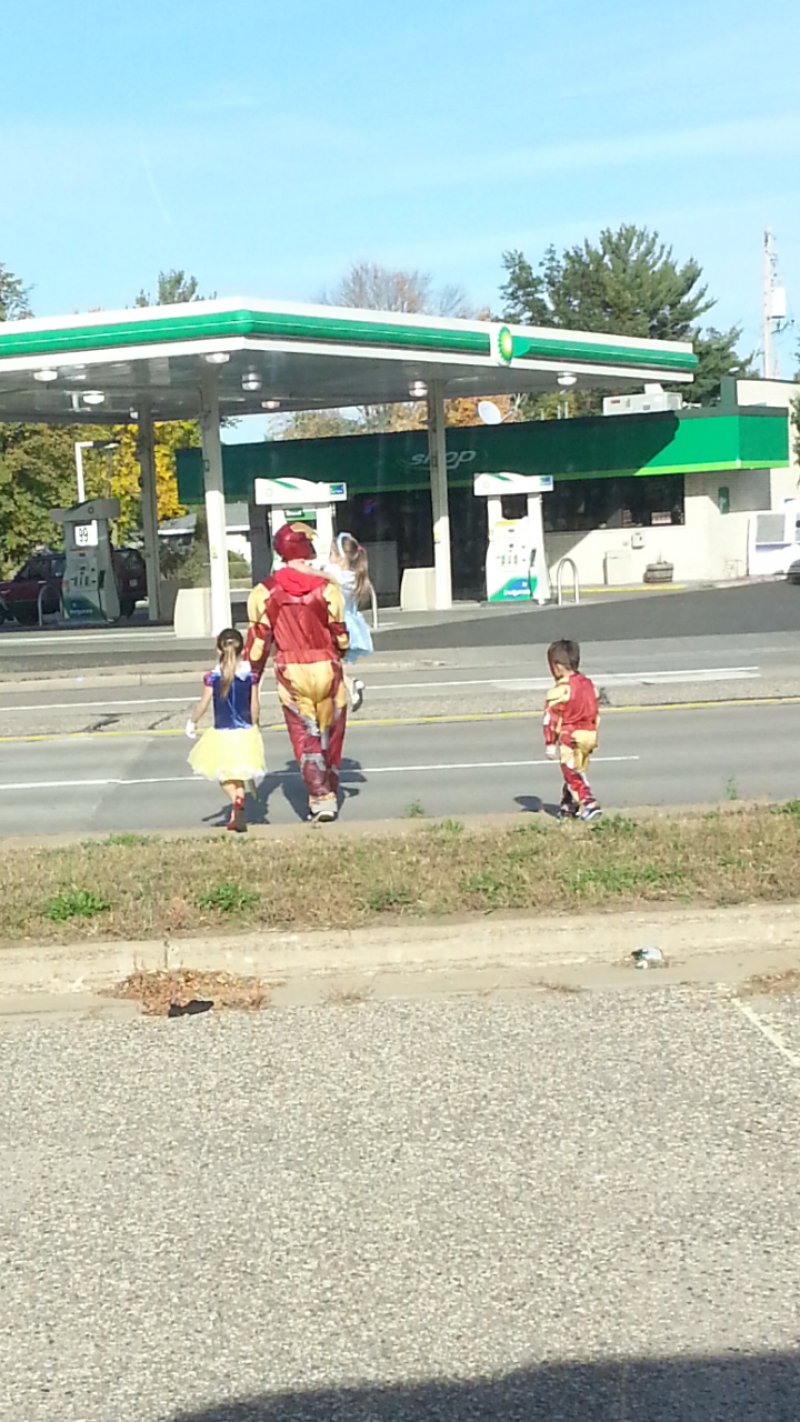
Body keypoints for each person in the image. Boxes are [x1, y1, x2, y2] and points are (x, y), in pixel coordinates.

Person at [244, 522, 349, 824]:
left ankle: (320, 798)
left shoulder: (264, 591)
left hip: (290, 671)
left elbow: (258, 644)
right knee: (332, 731)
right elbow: (340, 634)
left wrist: (252, 678)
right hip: (327, 666)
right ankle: (330, 787)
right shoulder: (327, 588)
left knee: (305, 734)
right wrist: (339, 654)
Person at [185, 627, 266, 833]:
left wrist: (192, 721)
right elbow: (254, 704)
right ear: (242, 649)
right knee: (237, 771)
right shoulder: (250, 675)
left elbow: (203, 704)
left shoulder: (214, 676)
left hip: (222, 732)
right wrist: (255, 724)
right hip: (245, 730)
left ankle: (236, 799)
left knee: (223, 775)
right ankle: (236, 809)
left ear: (219, 649)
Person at [542, 637, 602, 822]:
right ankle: (568, 806)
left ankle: (588, 802)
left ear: (558, 666)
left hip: (571, 737)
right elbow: (595, 710)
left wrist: (550, 743)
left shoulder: (561, 690)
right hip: (589, 734)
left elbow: (550, 719)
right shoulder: (588, 684)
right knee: (578, 767)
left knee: (572, 773)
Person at [321, 532, 373, 713]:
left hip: (339, 623)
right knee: (331, 662)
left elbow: (320, 575)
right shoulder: (353, 576)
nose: (329, 557)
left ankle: (350, 686)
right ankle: (351, 685)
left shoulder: (339, 575)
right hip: (349, 623)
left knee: (328, 661)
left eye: (331, 553)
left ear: (339, 557)